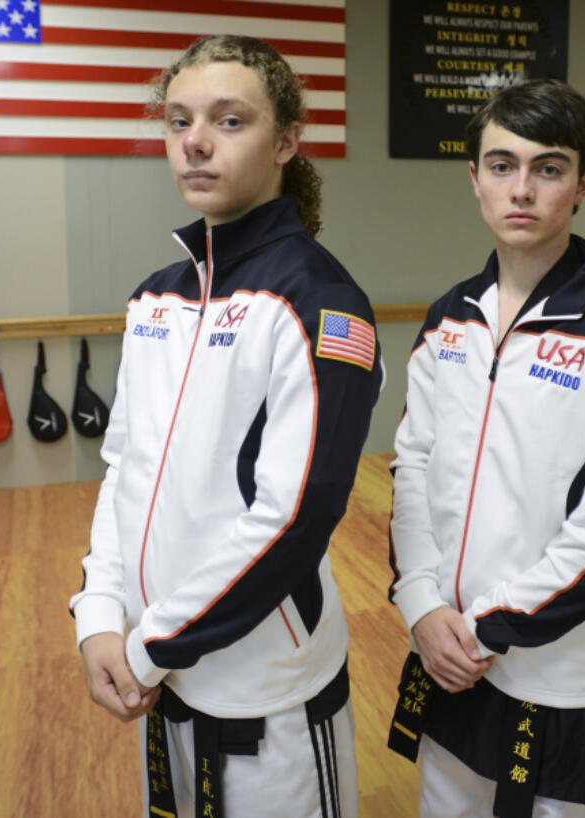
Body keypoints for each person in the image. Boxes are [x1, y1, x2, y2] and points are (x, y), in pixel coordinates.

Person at [70, 35, 381, 818]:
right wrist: (101, 615)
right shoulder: (155, 298)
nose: (195, 142)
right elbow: (123, 467)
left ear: (284, 142)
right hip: (159, 677)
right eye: (178, 122)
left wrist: (149, 648)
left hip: (264, 692)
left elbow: (293, 518)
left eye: (228, 120)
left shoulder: (320, 302)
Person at [386, 79, 585, 817]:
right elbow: (414, 465)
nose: (522, 190)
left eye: (548, 169)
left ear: (583, 184)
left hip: (552, 672)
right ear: (475, 179)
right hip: (444, 654)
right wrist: (422, 604)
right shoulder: (448, 320)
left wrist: (490, 628)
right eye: (501, 165)